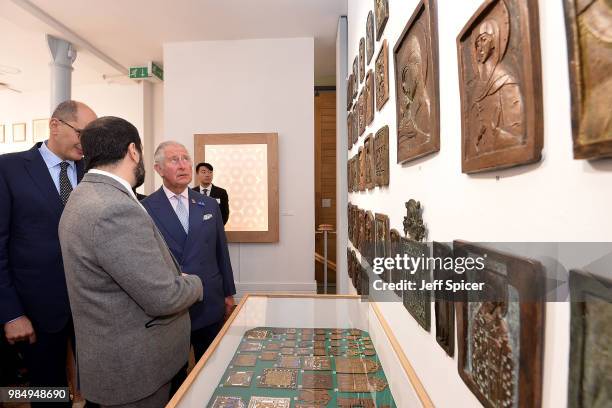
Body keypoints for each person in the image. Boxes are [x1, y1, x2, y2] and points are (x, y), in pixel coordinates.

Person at [58, 118, 203, 408]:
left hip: (114, 362)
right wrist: (194, 283)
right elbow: (163, 298)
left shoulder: (82, 195)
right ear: (133, 151)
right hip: (136, 373)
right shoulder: (114, 208)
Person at [0, 100, 97, 407]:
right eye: (82, 132)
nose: (87, 142)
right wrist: (11, 313)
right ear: (55, 125)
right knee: (47, 394)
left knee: (100, 388)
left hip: (93, 307)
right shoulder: (8, 169)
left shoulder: (93, 172)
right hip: (37, 311)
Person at [143, 143, 236, 361]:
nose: (183, 165)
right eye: (174, 160)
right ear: (158, 168)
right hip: (172, 305)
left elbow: (221, 251)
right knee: (174, 375)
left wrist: (228, 292)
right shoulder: (146, 208)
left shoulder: (210, 204)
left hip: (209, 300)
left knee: (211, 364)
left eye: (186, 158)